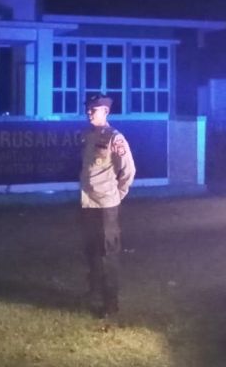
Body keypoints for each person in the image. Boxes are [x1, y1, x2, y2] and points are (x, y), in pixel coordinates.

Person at [79, 93, 136, 318]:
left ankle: (110, 304)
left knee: (107, 254)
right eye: (88, 109)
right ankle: (94, 293)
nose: (89, 112)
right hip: (87, 203)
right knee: (91, 251)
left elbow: (128, 170)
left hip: (106, 206)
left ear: (106, 112)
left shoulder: (115, 137)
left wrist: (117, 194)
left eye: (93, 109)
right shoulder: (88, 135)